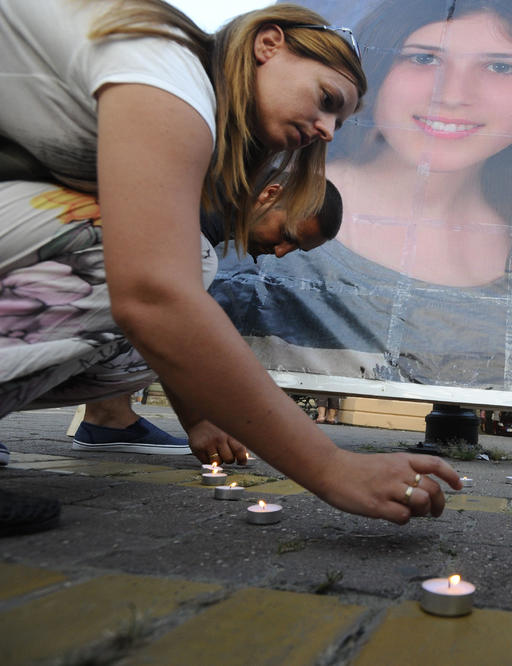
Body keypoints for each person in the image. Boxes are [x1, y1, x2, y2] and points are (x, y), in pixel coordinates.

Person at [1, 0, 460, 535]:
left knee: (154, 330)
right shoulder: (167, 76)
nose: (329, 129)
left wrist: (200, 415)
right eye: (328, 99)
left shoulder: (190, 119)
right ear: (269, 44)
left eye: (339, 119)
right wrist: (331, 467)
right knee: (174, 275)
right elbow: (153, 295)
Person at [210, 0, 512, 399]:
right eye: (424, 58)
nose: (452, 95)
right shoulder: (255, 195)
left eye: (501, 66)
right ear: (376, 71)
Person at [70, 177, 344, 464]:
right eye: (286, 234)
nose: (280, 251)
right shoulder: (193, 219)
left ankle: (108, 417)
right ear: (270, 194)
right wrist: (199, 421)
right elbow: (165, 321)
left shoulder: (210, 204)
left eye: (295, 248)